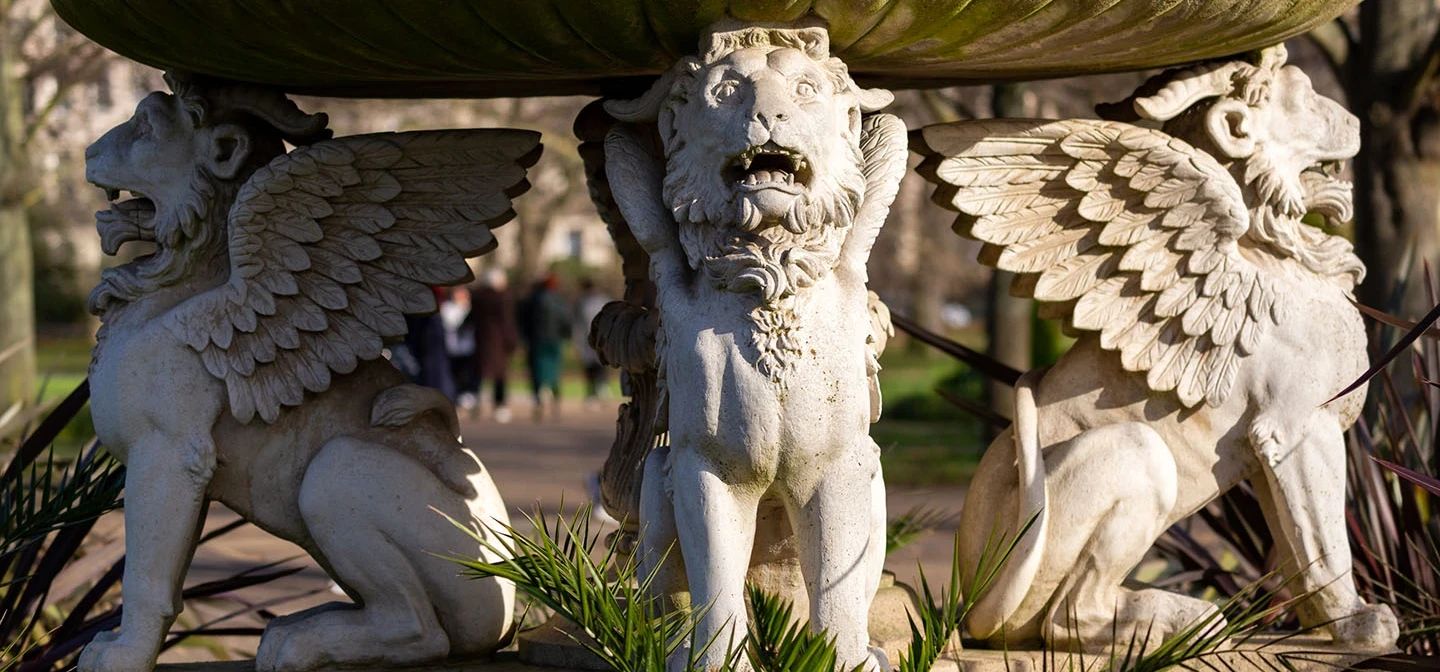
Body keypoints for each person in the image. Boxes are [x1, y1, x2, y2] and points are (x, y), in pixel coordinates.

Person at [517, 273, 570, 420]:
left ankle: (538, 402)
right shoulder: (560, 300)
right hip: (554, 341)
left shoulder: (531, 300)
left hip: (536, 341)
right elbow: (566, 320)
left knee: (537, 373)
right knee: (554, 372)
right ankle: (556, 403)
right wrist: (566, 335)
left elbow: (523, 321)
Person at [472, 269, 520, 423]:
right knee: (500, 375)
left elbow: (470, 318)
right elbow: (507, 322)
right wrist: (512, 341)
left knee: (480, 372)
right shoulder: (502, 298)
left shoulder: (477, 298)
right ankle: (500, 406)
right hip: (499, 342)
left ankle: (476, 401)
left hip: (481, 340)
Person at [440, 285, 479, 415]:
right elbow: (449, 323)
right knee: (454, 374)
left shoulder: (471, 308)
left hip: (467, 347)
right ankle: (455, 397)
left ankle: (467, 397)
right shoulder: (447, 307)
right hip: (452, 348)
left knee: (466, 374)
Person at [573, 277, 612, 404]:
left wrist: (577, 341)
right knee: (599, 365)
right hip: (599, 339)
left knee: (592, 368)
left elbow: (578, 325)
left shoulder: (583, 303)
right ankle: (599, 389)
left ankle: (594, 393)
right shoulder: (603, 300)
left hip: (589, 339)